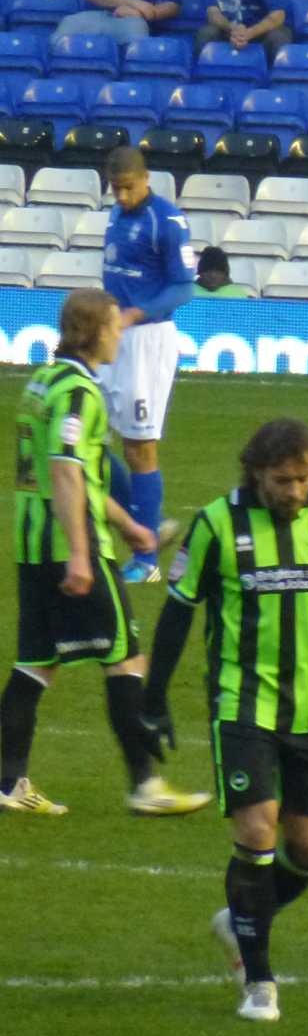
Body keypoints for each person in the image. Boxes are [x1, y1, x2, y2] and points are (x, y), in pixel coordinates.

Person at [142, 418, 308, 1023]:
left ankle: (240, 922)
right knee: (257, 831)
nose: (295, 491)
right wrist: (151, 700)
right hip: (240, 707)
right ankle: (259, 981)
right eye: (284, 480)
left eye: (305, 478)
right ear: (256, 472)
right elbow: (178, 615)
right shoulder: (214, 525)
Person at [0, 289, 210, 818]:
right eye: (114, 327)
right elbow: (67, 471)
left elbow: (81, 476)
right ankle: (146, 785)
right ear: (93, 332)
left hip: (30, 543)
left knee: (36, 663)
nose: (121, 335)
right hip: (70, 546)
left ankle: (7, 782)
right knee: (124, 658)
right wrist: (79, 555)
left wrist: (133, 528)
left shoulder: (41, 383)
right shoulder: (80, 392)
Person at [100, 146, 197, 584]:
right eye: (115, 189)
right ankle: (147, 529)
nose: (121, 197)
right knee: (92, 442)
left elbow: (183, 289)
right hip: (113, 337)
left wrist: (137, 314)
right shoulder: (117, 217)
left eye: (128, 188)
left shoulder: (167, 220)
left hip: (147, 341)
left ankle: (147, 561)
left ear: (146, 179)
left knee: (140, 445)